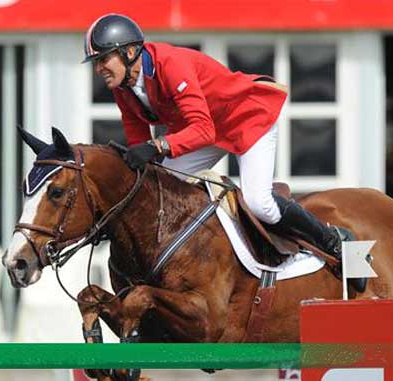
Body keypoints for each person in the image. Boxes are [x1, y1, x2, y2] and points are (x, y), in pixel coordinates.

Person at [82, 13, 343, 259]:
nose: (99, 69)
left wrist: (158, 146)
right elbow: (139, 138)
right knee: (160, 187)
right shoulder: (123, 87)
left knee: (259, 203)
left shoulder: (171, 64)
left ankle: (330, 239)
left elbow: (202, 130)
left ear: (129, 53)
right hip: (207, 130)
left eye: (103, 59)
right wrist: (138, 163)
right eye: (96, 63)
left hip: (245, 119)